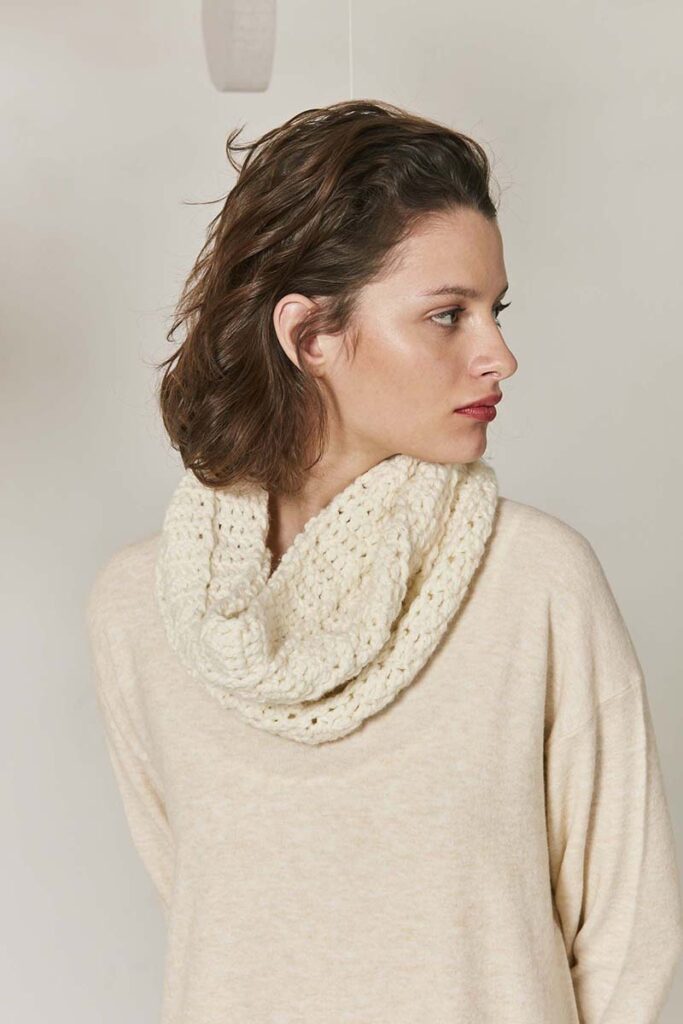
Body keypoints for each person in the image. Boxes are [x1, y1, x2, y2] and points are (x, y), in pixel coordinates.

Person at [85, 99, 683, 1023]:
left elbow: (630, 942)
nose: (499, 356)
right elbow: (207, 912)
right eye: (447, 315)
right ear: (309, 336)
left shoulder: (533, 580)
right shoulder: (140, 608)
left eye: (493, 312)